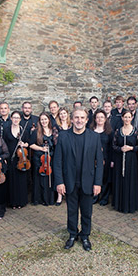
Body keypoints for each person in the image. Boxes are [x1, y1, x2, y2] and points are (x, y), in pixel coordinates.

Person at [54, 107, 103, 251]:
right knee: (72, 210)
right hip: (70, 181)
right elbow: (57, 162)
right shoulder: (63, 136)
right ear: (72, 119)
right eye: (76, 117)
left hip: (88, 181)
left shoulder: (94, 137)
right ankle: (72, 234)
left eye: (82, 118)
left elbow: (99, 162)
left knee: (87, 211)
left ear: (87, 120)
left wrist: (98, 183)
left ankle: (85, 236)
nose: (79, 120)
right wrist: (59, 182)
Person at [112, 110, 138, 213]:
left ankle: (130, 205)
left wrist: (131, 148)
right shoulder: (118, 131)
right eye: (125, 117)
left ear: (132, 118)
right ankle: (119, 204)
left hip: (131, 160)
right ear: (122, 118)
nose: (127, 119)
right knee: (120, 180)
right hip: (120, 159)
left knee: (130, 180)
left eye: (129, 117)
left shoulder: (136, 131)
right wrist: (120, 149)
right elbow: (114, 145)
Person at [3, 111, 31, 208]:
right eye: (14, 117)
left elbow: (28, 143)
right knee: (12, 180)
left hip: (21, 158)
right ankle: (13, 202)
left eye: (17, 118)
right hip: (11, 158)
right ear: (11, 118)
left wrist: (24, 144)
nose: (15, 119)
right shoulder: (6, 130)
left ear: (20, 119)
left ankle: (21, 202)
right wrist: (5, 157)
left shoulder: (24, 130)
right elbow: (3, 144)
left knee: (21, 180)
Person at [29, 113, 56, 205]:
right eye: (42, 120)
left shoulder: (53, 131)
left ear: (49, 120)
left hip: (50, 157)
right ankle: (38, 199)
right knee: (39, 179)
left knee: (49, 178)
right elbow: (31, 145)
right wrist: (41, 148)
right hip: (39, 158)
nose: (44, 121)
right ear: (39, 121)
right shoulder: (36, 132)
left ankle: (48, 199)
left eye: (45, 119)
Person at [91, 109, 113, 206]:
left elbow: (112, 147)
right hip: (92, 159)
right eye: (98, 117)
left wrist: (111, 160)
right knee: (93, 178)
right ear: (95, 119)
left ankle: (104, 198)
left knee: (105, 178)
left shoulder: (109, 132)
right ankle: (94, 197)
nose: (100, 119)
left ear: (105, 119)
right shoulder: (90, 131)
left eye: (102, 117)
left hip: (106, 159)